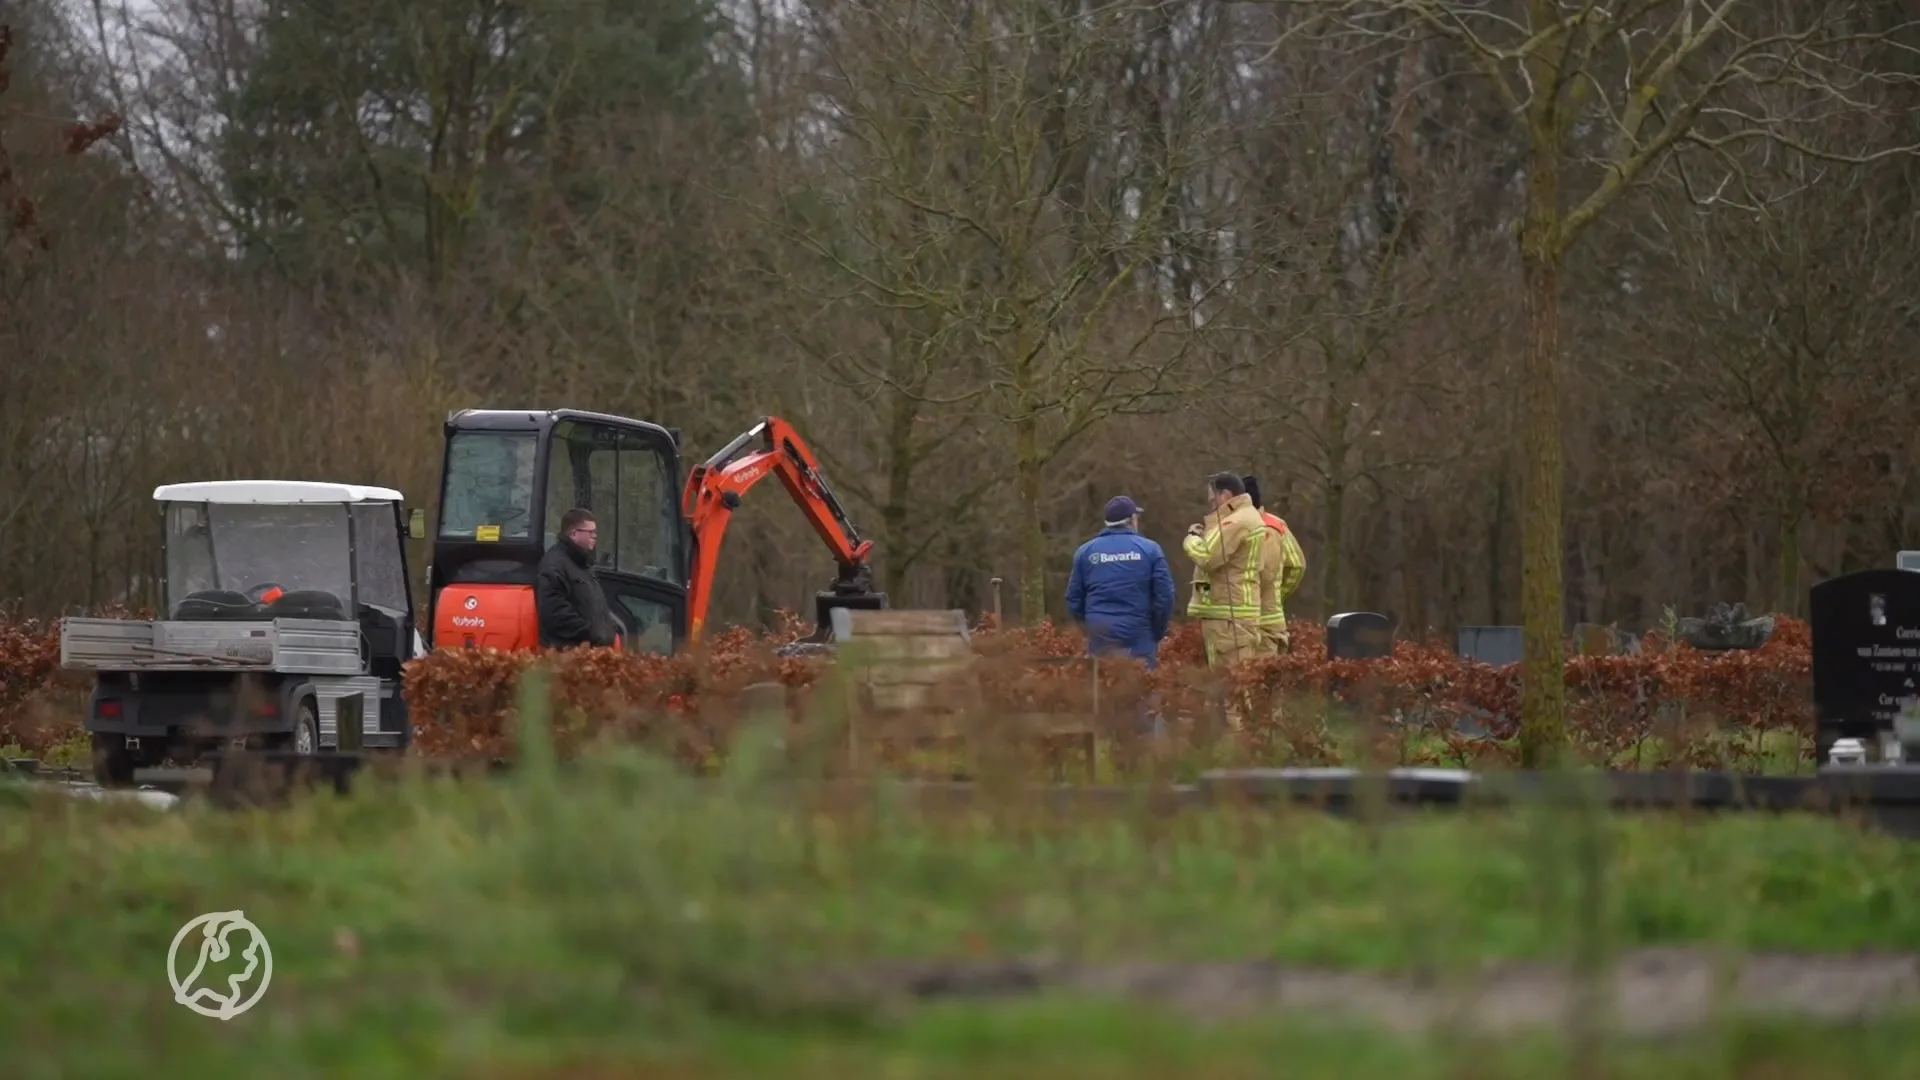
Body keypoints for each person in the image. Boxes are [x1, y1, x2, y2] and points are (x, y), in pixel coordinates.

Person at [1065, 496, 1176, 669]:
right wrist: (1157, 631)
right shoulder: (1151, 550)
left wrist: (1090, 629)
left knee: (1104, 685)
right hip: (1140, 632)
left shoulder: (1085, 552)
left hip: (1101, 633)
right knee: (1143, 685)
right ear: (1131, 520)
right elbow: (1165, 596)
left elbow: (1073, 598)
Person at [1183, 472, 1272, 670]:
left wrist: (1191, 538)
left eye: (1213, 500)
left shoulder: (1236, 521)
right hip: (1235, 615)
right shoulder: (1248, 517)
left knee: (1229, 685)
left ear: (1225, 495)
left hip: (1230, 619)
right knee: (1235, 684)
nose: (1211, 505)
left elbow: (1207, 556)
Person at [536, 507, 618, 649]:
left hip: (590, 651)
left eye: (595, 532)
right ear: (574, 534)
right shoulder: (554, 565)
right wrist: (592, 634)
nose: (595, 536)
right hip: (570, 655)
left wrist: (609, 628)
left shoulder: (582, 564)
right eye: (590, 532)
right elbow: (555, 614)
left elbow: (595, 607)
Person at [1241, 475, 1307, 652]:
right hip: (1272, 617)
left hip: (1245, 621)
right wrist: (1278, 594)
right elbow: (1297, 565)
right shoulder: (1277, 524)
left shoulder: (1237, 527)